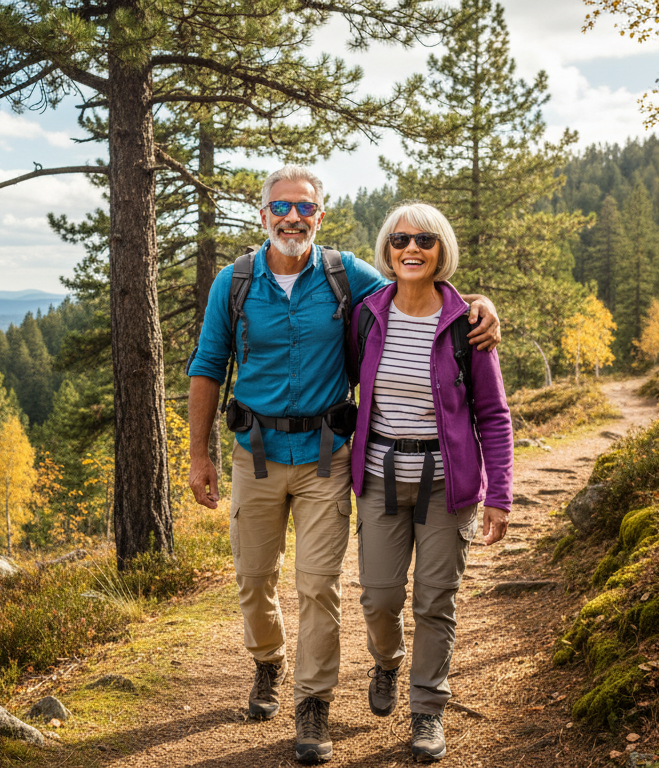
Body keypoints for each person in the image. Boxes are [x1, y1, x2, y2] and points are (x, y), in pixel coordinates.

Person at [185, 167, 501, 765]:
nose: (292, 218)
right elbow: (207, 365)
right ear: (263, 215)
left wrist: (480, 308)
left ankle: (314, 702)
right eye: (281, 206)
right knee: (254, 581)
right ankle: (268, 661)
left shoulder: (345, 275)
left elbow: (417, 291)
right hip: (253, 455)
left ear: (319, 216)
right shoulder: (234, 282)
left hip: (327, 458)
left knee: (318, 586)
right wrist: (200, 454)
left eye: (305, 208)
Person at [348, 202, 512, 763]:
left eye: (424, 240)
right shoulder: (368, 316)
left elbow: (493, 415)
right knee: (379, 598)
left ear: (442, 249)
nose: (411, 249)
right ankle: (387, 662)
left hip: (449, 487)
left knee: (435, 602)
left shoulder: (466, 325)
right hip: (379, 479)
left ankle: (427, 710)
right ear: (386, 251)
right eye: (399, 241)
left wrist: (500, 496)